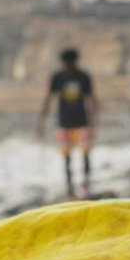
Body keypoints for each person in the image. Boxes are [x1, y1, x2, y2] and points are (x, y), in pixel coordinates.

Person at [36, 48, 97, 197]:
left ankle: (86, 186)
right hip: (64, 122)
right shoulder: (58, 77)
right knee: (66, 157)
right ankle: (69, 187)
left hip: (82, 121)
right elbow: (49, 98)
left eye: (71, 63)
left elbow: (91, 99)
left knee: (85, 155)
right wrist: (42, 120)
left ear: (76, 62)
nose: (69, 66)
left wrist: (93, 121)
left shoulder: (83, 77)